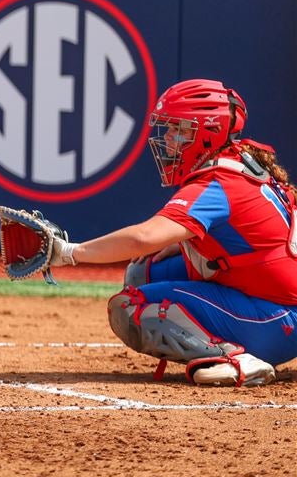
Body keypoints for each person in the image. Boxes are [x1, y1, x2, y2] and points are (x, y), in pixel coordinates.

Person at [45, 79, 296, 386]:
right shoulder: (241, 162)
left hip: (279, 318)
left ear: (208, 134)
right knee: (144, 273)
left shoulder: (217, 182)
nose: (170, 139)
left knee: (129, 307)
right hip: (275, 300)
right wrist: (189, 243)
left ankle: (237, 358)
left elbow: (143, 237)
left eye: (181, 130)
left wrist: (68, 253)